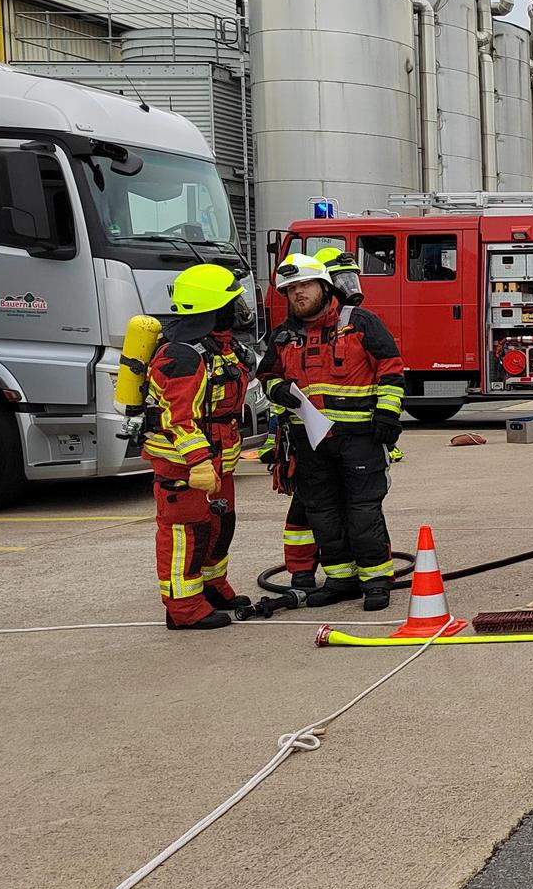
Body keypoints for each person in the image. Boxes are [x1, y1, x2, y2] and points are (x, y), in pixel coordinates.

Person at [256, 255, 406, 611]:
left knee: (363, 512)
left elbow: (391, 368)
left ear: (324, 287)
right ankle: (341, 579)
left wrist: (388, 415)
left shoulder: (360, 322)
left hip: (360, 438)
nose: (297, 294)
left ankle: (376, 581)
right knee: (323, 513)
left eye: (304, 285)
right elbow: (267, 375)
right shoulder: (284, 335)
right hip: (310, 440)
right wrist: (277, 388)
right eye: (290, 289)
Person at [145, 262, 252, 631]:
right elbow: (178, 417)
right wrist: (198, 461)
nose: (240, 309)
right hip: (185, 468)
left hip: (219, 462)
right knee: (186, 534)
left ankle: (212, 587)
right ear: (214, 308)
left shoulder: (220, 348)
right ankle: (184, 608)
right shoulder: (182, 355)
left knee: (220, 526)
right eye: (233, 303)